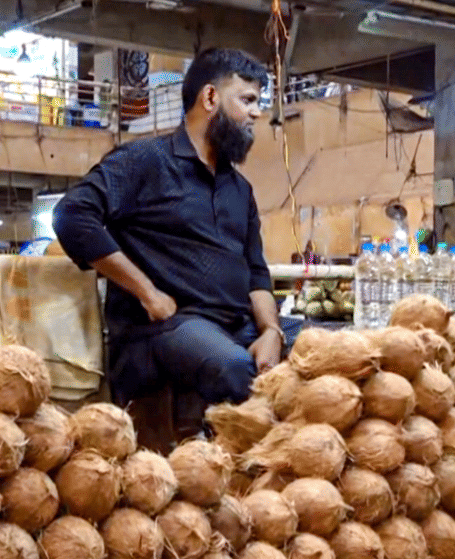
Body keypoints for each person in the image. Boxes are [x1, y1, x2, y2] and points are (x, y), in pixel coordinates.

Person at [54, 48, 300, 430]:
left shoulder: (240, 190)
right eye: (248, 100)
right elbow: (72, 216)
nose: (257, 113)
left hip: (234, 324)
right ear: (210, 97)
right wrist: (148, 292)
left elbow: (255, 273)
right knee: (235, 366)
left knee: (330, 348)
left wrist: (271, 331)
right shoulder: (144, 161)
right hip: (161, 331)